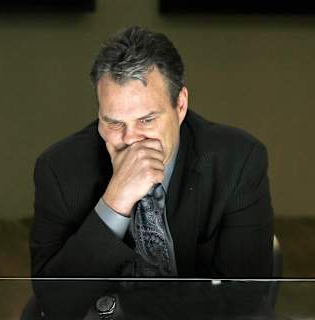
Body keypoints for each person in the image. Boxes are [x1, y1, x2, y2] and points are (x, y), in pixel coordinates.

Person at [29, 26, 274, 317]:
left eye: (146, 120)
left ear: (180, 106)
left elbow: (243, 297)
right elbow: (55, 301)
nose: (131, 139)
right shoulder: (59, 169)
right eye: (114, 122)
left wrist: (122, 309)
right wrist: (115, 202)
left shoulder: (238, 160)